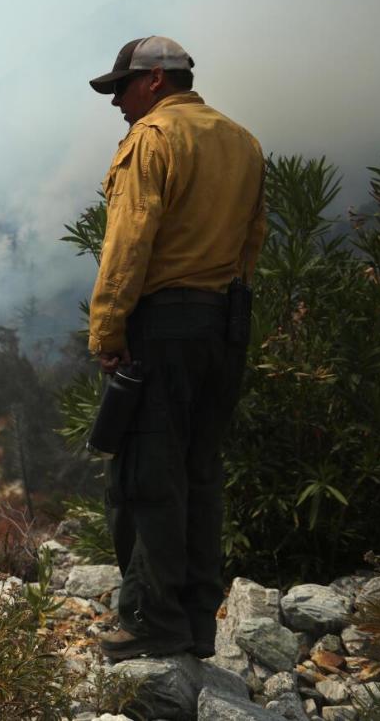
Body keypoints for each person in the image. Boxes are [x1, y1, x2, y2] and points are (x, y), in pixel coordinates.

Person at [85, 36, 266, 661]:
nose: (117, 104)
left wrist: (108, 329)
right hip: (225, 323)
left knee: (146, 476)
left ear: (156, 80)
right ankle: (195, 624)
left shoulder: (154, 139)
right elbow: (252, 240)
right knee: (200, 472)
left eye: (122, 89)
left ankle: (152, 621)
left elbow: (129, 242)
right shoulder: (243, 141)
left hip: (164, 325)